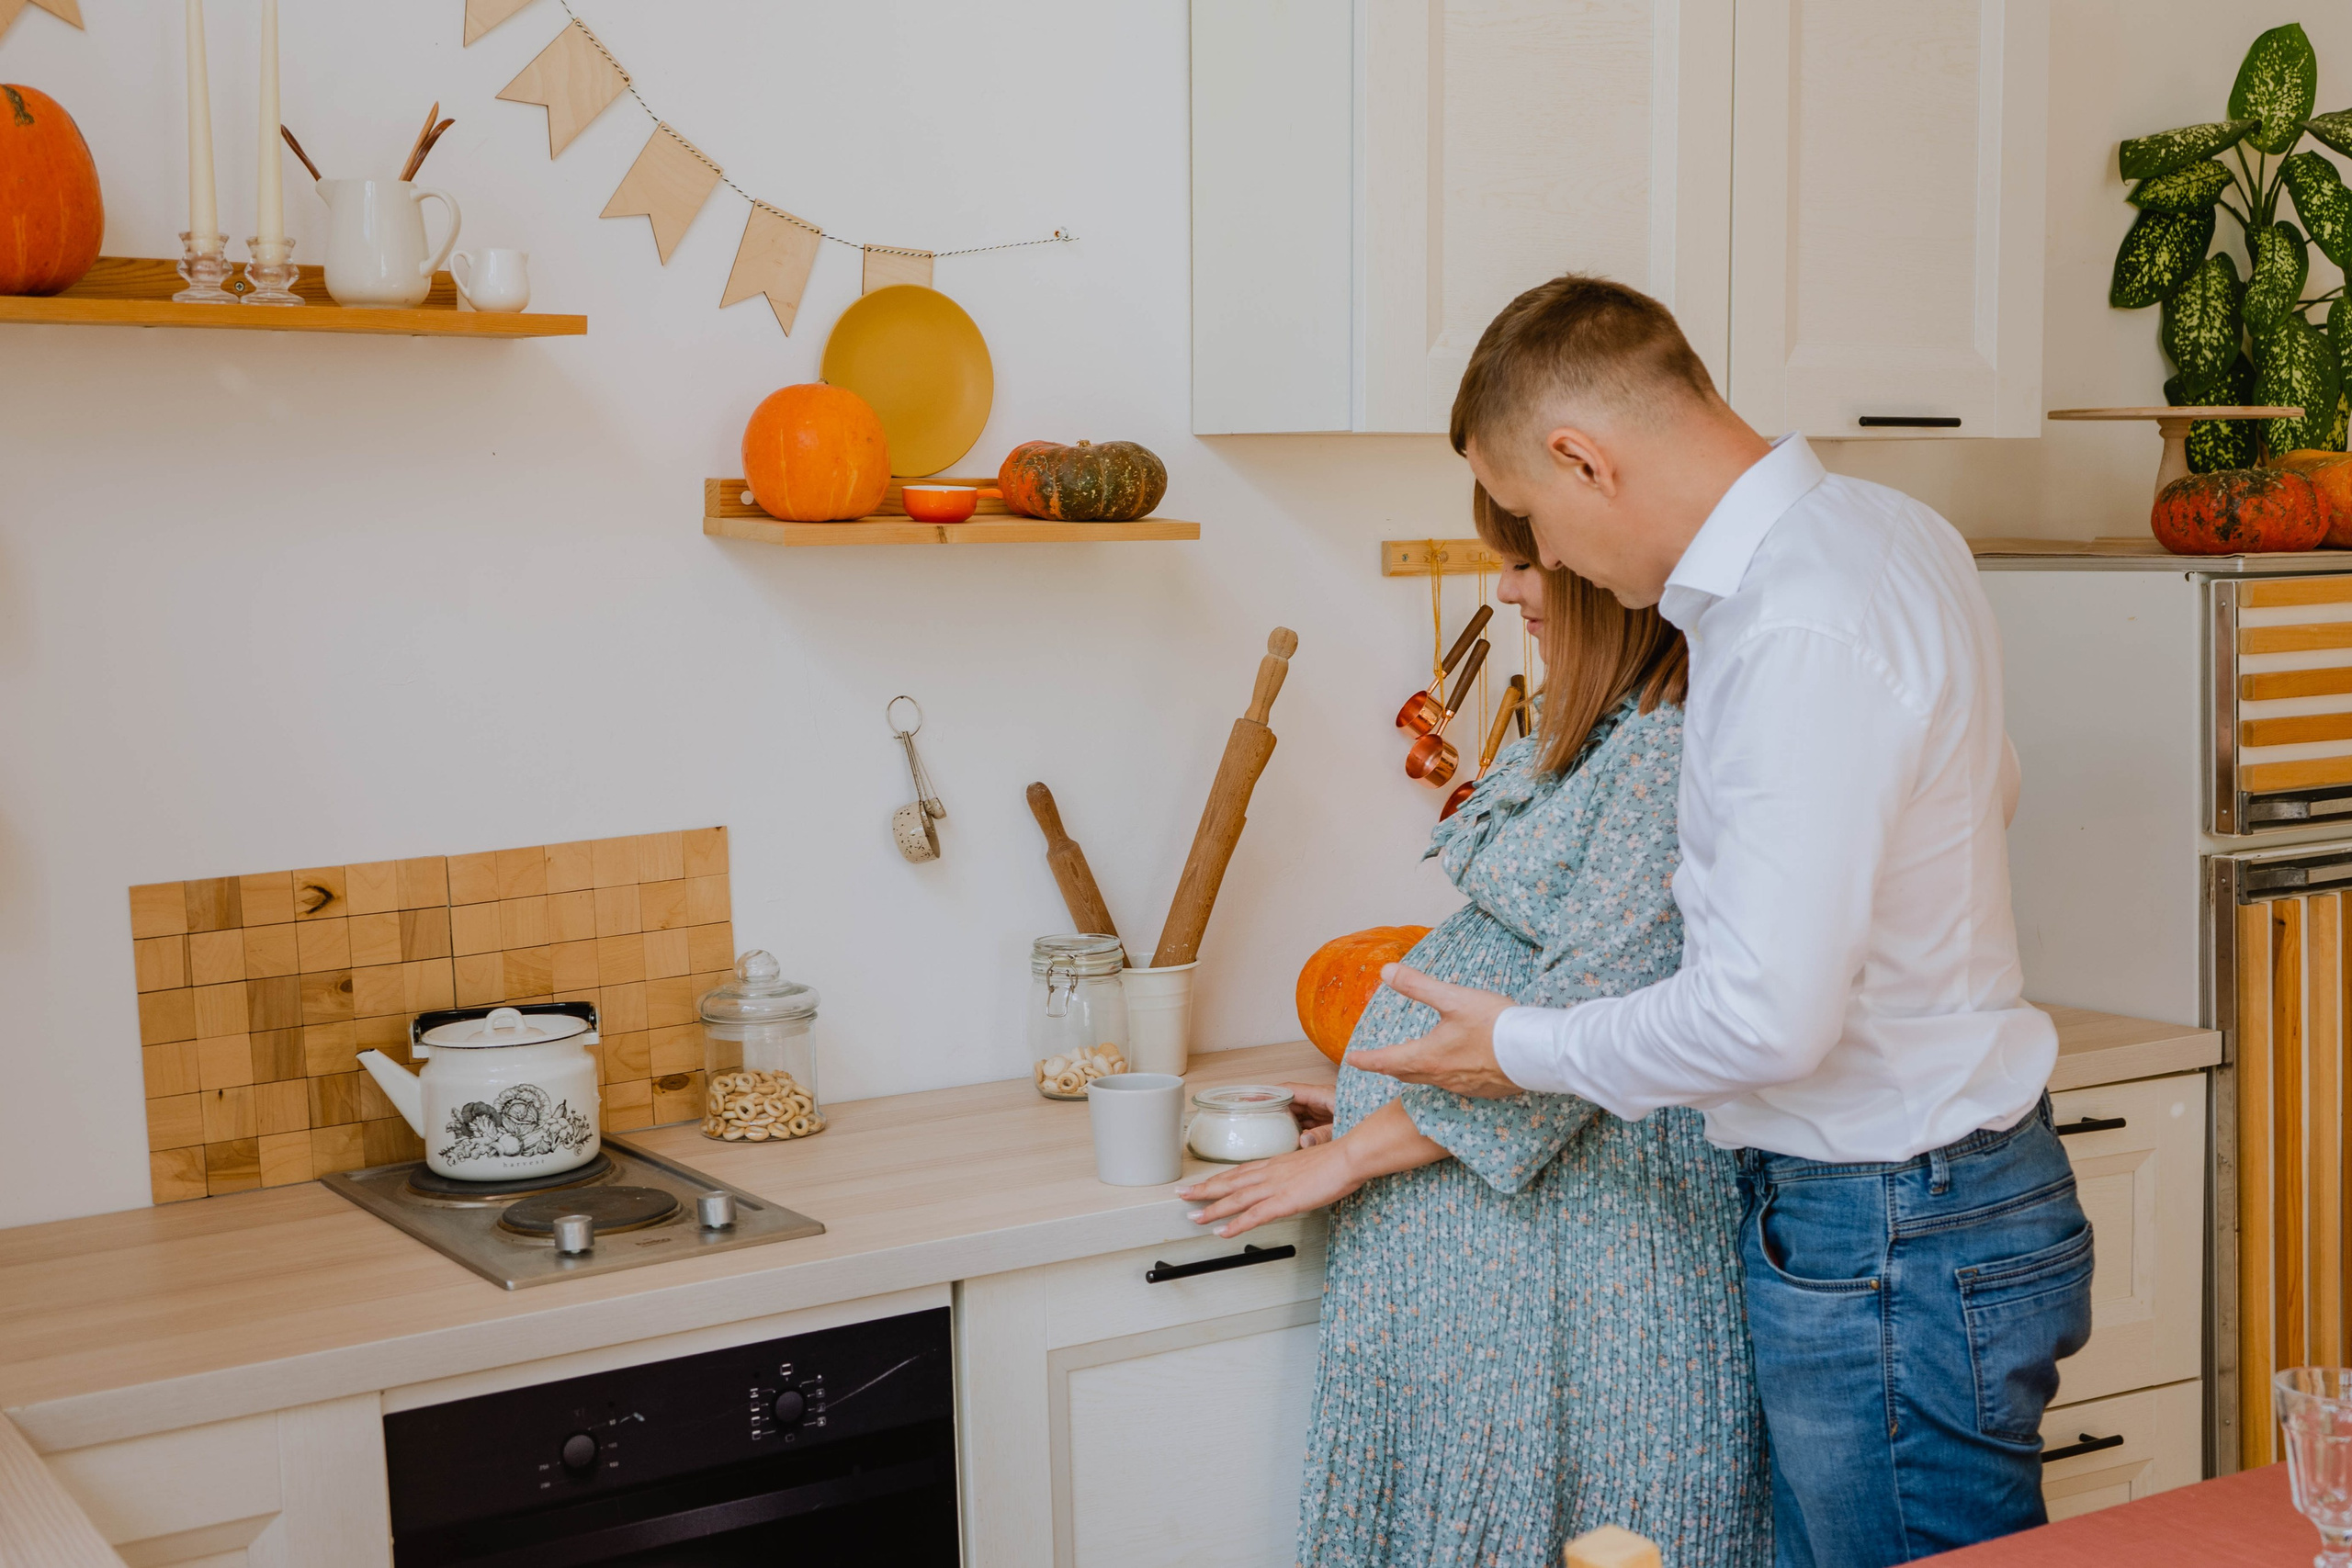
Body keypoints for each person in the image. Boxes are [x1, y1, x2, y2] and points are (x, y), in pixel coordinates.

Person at [1347, 274, 2090, 1567]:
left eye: (1533, 518)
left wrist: (1518, 1046)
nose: (1547, 561)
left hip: (1889, 1227)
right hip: (1949, 1195)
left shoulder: (1789, 622)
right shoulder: (1890, 530)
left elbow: (1766, 1019)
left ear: (1584, 459)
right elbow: (1992, 784)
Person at [1178, 494, 1770, 1568]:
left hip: (1599, 1260)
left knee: (1585, 1522)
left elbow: (1587, 1029)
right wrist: (1377, 1094)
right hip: (1510, 1250)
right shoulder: (1594, 730)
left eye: (1526, 564)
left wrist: (1352, 1154)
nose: (1504, 590)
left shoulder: (1667, 749)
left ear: (1600, 571)